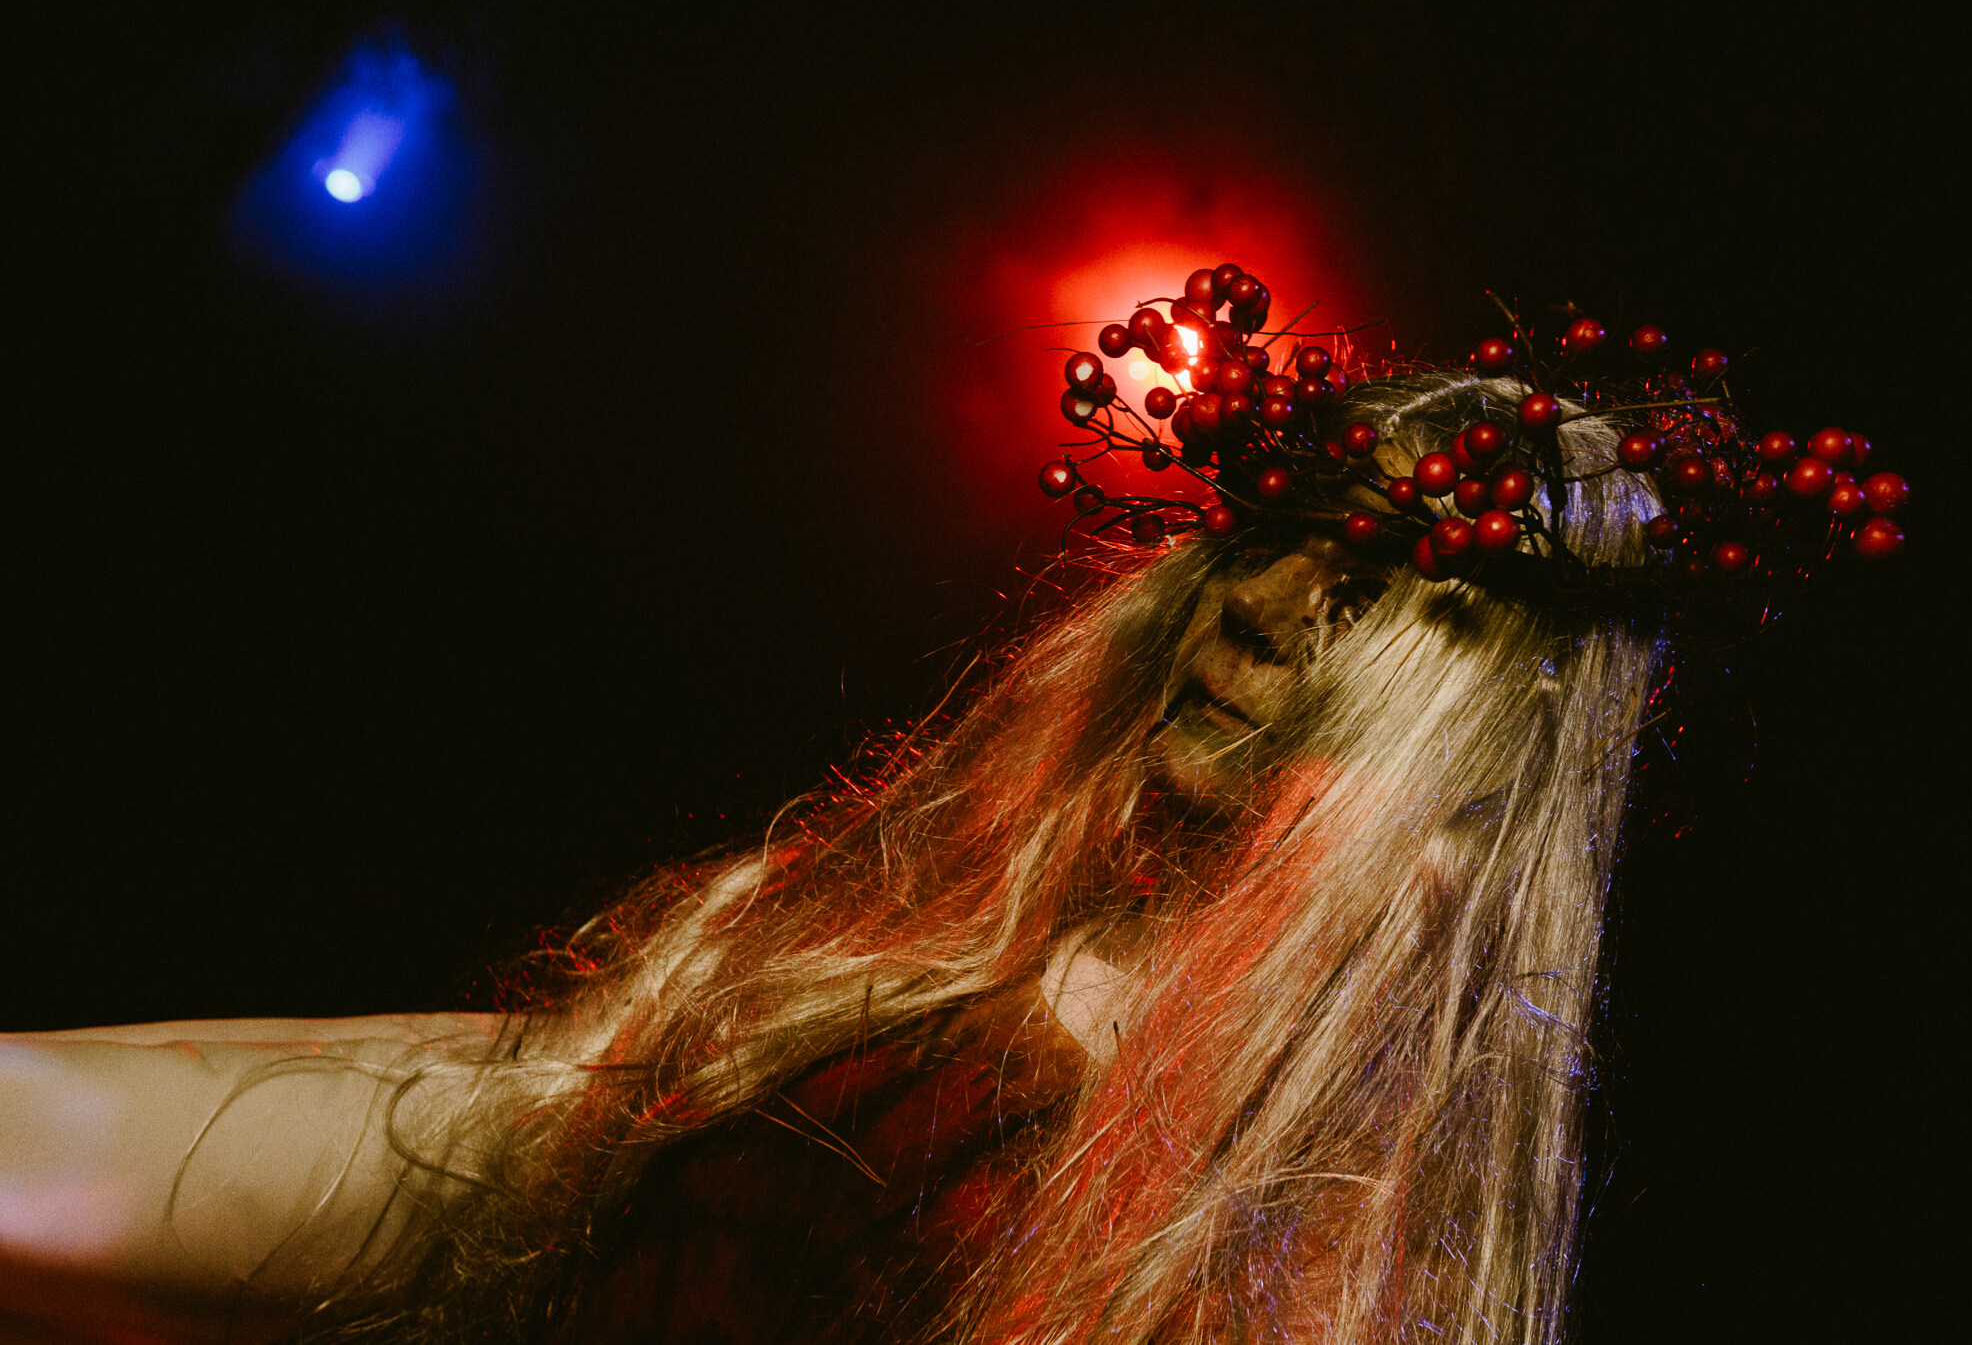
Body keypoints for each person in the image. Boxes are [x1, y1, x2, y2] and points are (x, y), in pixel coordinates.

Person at [3, 366, 1667, 1344]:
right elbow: (494, 1120)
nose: (1262, 606)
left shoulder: (1266, 1240)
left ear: (1471, 745)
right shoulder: (966, 964)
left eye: (1366, 594)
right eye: (1279, 538)